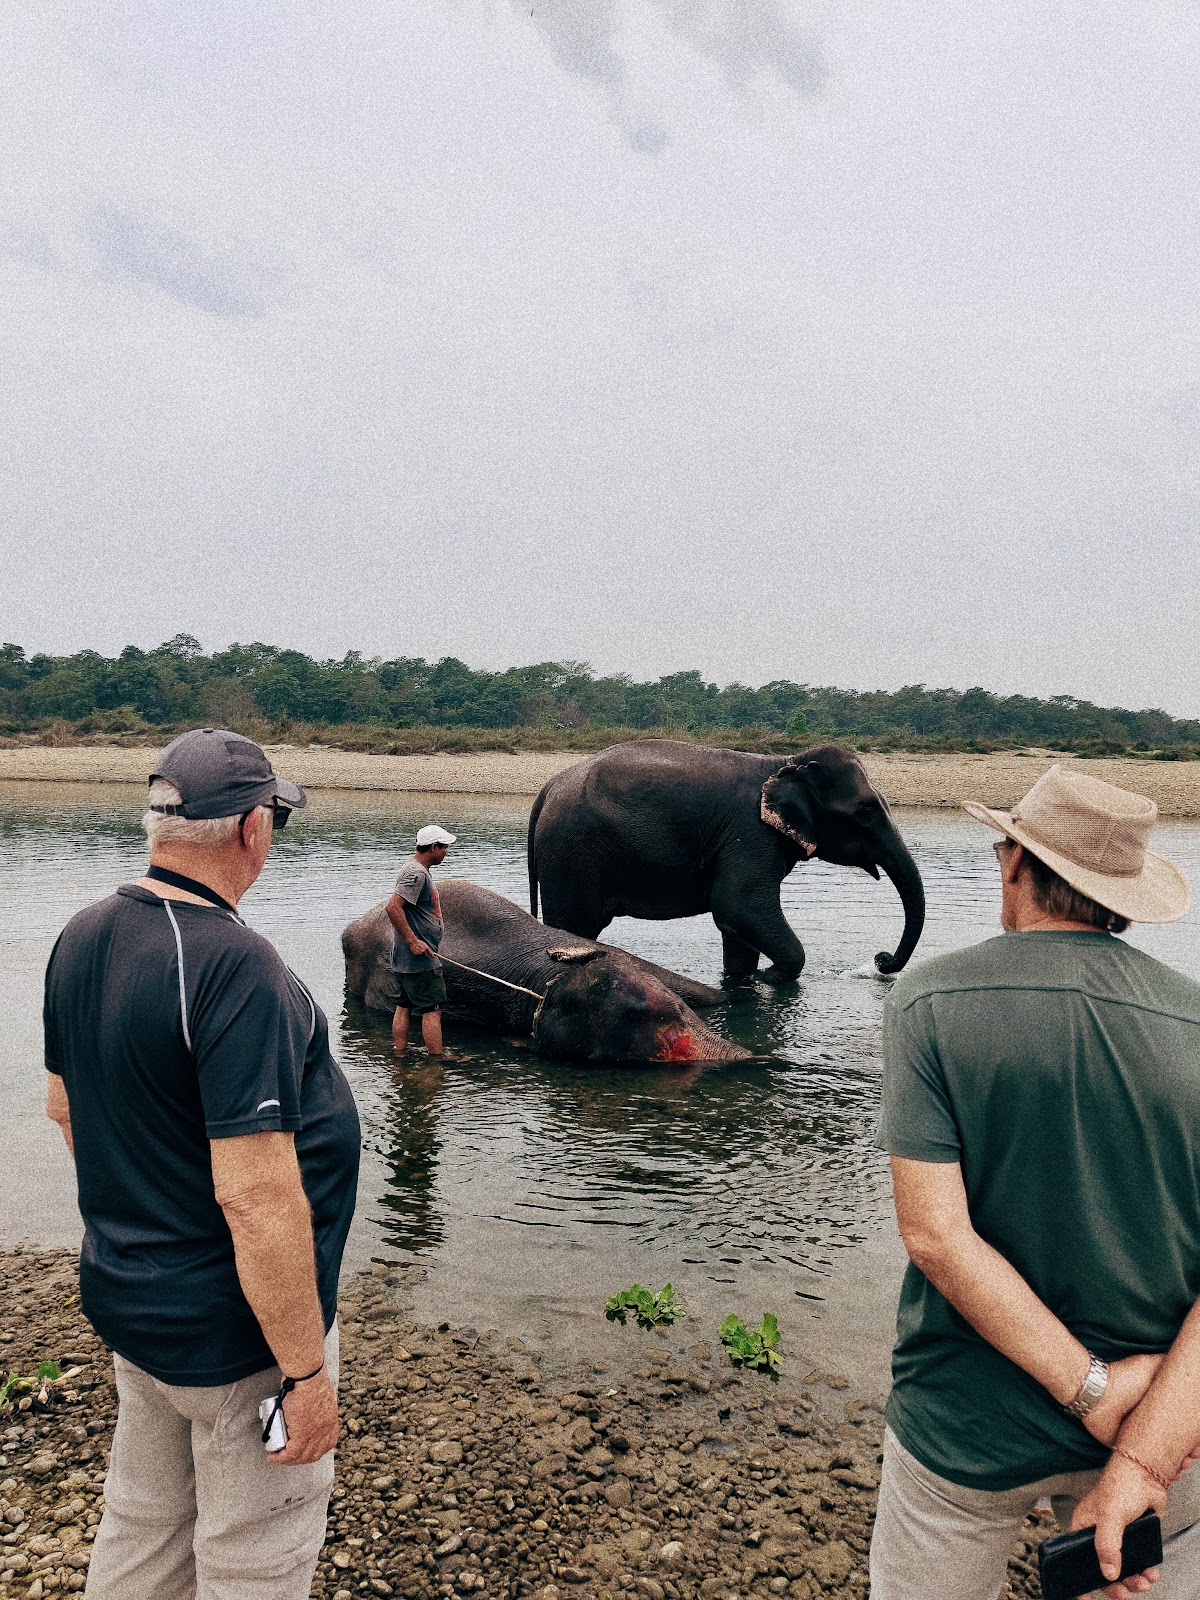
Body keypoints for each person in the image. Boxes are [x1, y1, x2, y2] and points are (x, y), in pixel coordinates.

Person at [869, 763, 1200, 1600]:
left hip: (965, 1424)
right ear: (1124, 894)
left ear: (1014, 862)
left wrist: (1087, 1391)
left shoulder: (929, 1000)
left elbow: (937, 1239)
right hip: (1165, 1411)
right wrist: (1140, 1455)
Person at [43, 729, 362, 1600]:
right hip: (236, 1333)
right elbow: (258, 1201)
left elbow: (65, 1107)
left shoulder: (82, 934)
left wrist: (148, 1223)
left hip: (132, 1298)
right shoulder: (236, 967)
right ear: (254, 830)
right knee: (256, 1547)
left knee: (146, 1521)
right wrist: (303, 1374)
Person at [385, 823, 456, 1055]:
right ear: (433, 847)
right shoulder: (416, 873)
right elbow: (393, 907)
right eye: (444, 847)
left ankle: (400, 1053)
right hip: (419, 960)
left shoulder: (414, 870)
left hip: (406, 959)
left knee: (403, 1006)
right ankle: (437, 1060)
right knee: (432, 1009)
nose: (446, 852)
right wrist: (414, 941)